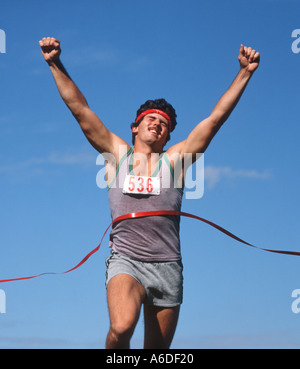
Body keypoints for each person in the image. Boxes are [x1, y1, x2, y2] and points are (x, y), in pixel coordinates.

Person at [39, 37, 260, 349]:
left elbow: (214, 120)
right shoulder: (117, 155)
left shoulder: (175, 161)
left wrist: (244, 73)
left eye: (164, 124)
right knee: (121, 327)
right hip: (126, 260)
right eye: (151, 119)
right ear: (135, 127)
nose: (157, 124)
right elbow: (80, 109)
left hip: (168, 266)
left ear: (168, 134)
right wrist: (54, 63)